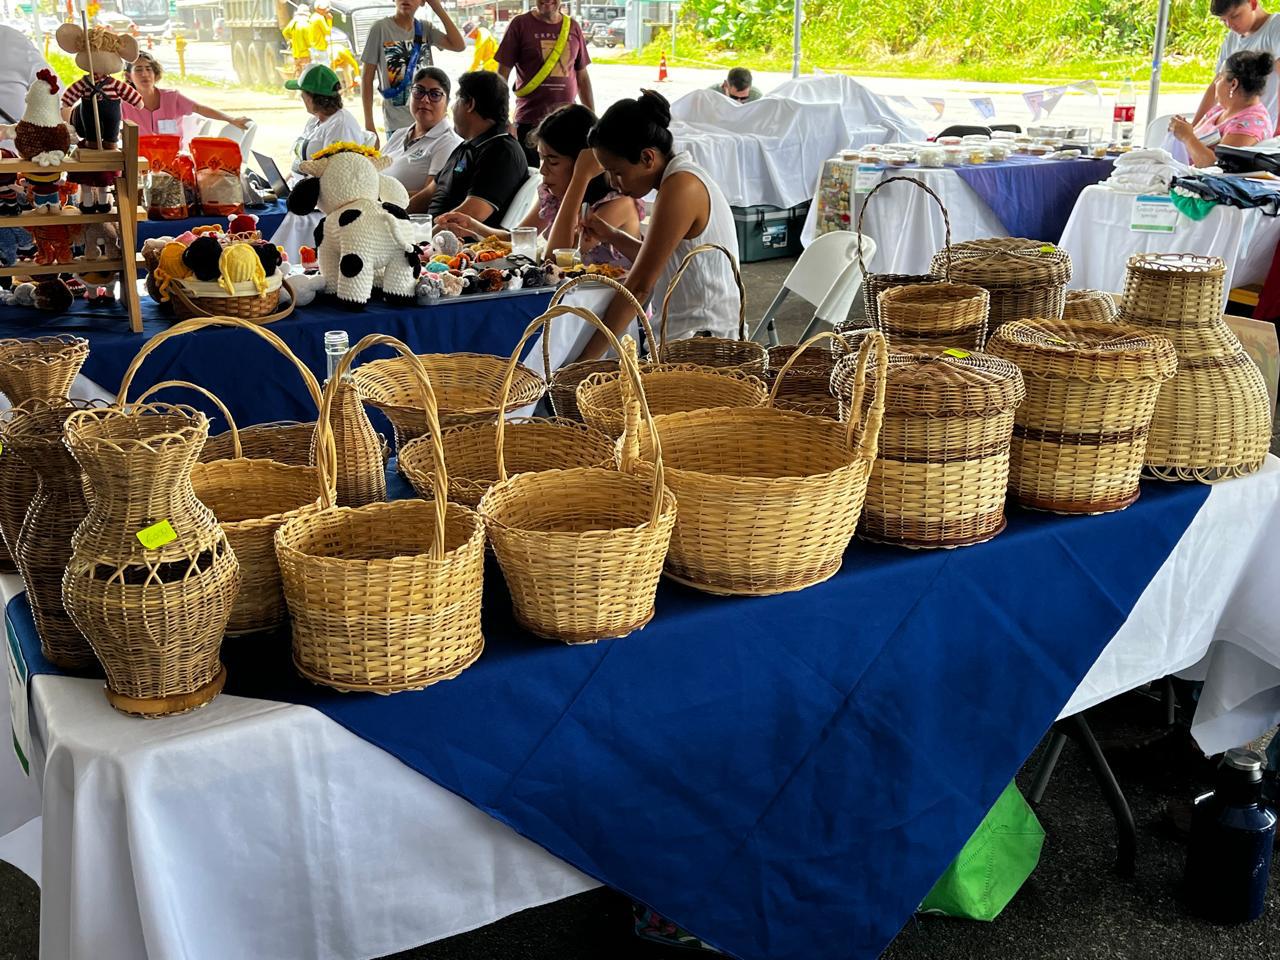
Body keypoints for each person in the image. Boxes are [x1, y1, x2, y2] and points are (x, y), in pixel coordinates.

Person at [573, 90, 739, 362]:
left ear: (648, 158)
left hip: (706, 343)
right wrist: (611, 235)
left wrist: (583, 362)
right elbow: (662, 261)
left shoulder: (681, 186)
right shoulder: (678, 178)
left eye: (617, 172)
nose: (614, 183)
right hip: (691, 333)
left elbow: (640, 286)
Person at [436, 102, 641, 266]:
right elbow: (519, 238)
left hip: (608, 307)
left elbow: (557, 258)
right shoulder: (554, 196)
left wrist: (579, 179)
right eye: (542, 159)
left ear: (582, 162)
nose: (543, 170)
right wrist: (474, 227)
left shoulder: (616, 204)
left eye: (552, 161)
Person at [271, 63, 364, 262]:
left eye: (302, 94)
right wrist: (283, 181)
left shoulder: (342, 125)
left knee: (285, 221)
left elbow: (339, 171)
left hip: (322, 203)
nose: (301, 98)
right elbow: (301, 159)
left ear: (313, 98)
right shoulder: (315, 121)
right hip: (300, 191)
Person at [495, 0, 593, 166]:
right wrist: (503, 119)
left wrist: (592, 121)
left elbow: (582, 77)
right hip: (528, 121)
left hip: (567, 122)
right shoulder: (520, 24)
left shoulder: (573, 27)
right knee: (529, 180)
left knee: (568, 179)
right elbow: (501, 77)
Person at [426, 70, 528, 227]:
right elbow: (429, 193)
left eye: (457, 100)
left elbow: (473, 214)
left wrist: (426, 237)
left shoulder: (502, 152)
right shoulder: (467, 146)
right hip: (427, 236)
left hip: (458, 245)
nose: (452, 108)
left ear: (470, 104)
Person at [361, 0, 464, 143]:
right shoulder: (380, 29)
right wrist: (369, 124)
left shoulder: (425, 28)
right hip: (398, 123)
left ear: (422, 2)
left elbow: (459, 45)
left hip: (430, 120)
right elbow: (366, 78)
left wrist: (436, 6)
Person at [1175, 51, 1276, 166]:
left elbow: (1218, 166)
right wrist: (1183, 130)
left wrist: (1187, 137)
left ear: (1233, 84)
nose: (1216, 83)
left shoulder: (1249, 125)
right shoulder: (1220, 110)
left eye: (1220, 77)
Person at [382, 66, 462, 212]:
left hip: (401, 220)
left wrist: (380, 200)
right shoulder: (399, 135)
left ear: (447, 102)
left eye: (435, 94)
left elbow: (430, 197)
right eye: (419, 91)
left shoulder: (448, 143)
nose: (425, 100)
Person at [121, 51, 249, 139]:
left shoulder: (172, 97)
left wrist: (230, 119)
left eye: (149, 69)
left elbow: (199, 108)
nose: (145, 74)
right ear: (128, 76)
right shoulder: (123, 103)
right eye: (138, 70)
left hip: (173, 162)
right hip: (139, 162)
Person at [1195, 0, 1280, 130]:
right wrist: (1193, 127)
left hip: (1263, 133)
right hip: (1236, 129)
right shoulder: (1231, 39)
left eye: (1235, 16)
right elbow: (1215, 86)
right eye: (1223, 21)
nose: (1230, 25)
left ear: (1252, 3)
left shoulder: (1275, 27)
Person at [283, 3, 313, 78]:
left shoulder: (293, 23)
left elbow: (285, 32)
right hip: (305, 54)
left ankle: (296, 87)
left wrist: (290, 40)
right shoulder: (307, 25)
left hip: (296, 54)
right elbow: (309, 42)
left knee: (298, 72)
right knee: (306, 73)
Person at [309, 0, 333, 67]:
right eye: (323, 9)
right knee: (326, 68)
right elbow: (328, 32)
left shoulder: (312, 17)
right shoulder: (320, 18)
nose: (325, 10)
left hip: (313, 48)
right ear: (317, 9)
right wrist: (329, 20)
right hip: (320, 49)